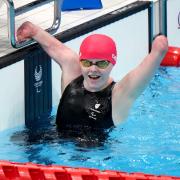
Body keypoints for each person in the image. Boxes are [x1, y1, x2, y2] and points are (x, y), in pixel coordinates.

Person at [17, 21, 168, 132]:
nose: (93, 69)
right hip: (58, 149)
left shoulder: (118, 95)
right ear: (80, 61)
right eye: (87, 62)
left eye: (101, 64)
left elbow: (145, 69)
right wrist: (33, 30)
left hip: (96, 164)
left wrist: (159, 50)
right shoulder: (72, 76)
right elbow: (56, 47)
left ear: (112, 63)